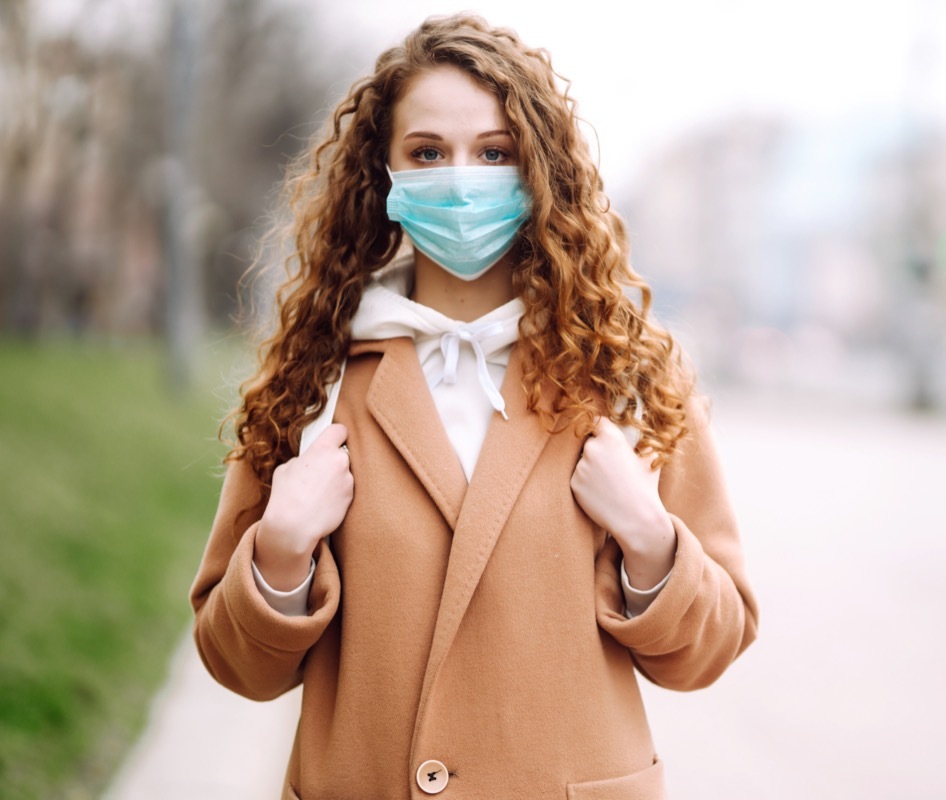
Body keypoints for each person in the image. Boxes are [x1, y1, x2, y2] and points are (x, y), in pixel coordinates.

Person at [189, 14, 758, 800]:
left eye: (495, 153)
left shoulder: (629, 377)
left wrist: (650, 540)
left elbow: (711, 649)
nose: (462, 177)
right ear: (383, 176)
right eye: (427, 153)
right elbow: (236, 665)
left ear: (539, 173)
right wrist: (281, 551)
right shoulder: (315, 380)